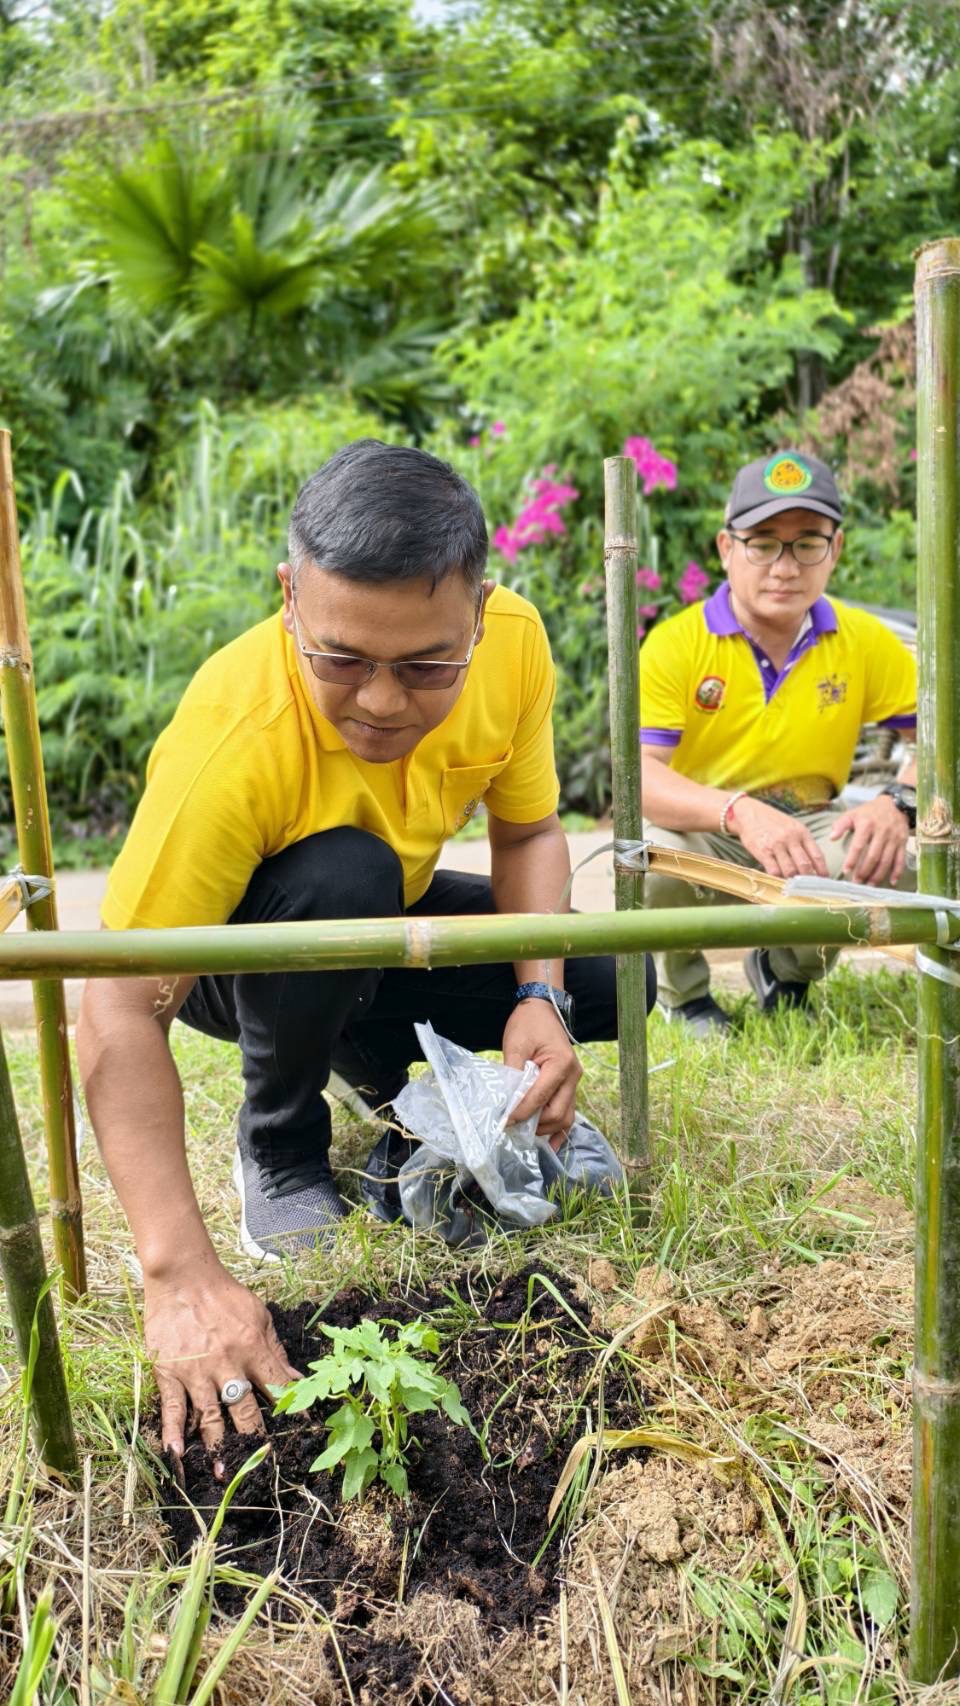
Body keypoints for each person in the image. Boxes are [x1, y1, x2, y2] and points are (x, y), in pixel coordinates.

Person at [77, 439, 655, 1463]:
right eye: (341, 659)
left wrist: (539, 998)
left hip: (395, 914)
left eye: (429, 665)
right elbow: (120, 1006)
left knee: (616, 974)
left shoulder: (515, 645)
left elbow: (527, 833)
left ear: (480, 611)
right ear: (289, 597)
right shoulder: (237, 733)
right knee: (346, 874)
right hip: (245, 946)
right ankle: (279, 1141)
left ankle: (361, 1051)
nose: (383, 702)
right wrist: (176, 1271)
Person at [638, 448, 917, 1036]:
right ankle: (681, 993)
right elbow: (639, 777)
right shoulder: (676, 644)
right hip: (705, 830)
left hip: (811, 825)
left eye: (807, 542)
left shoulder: (863, 640)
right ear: (726, 548)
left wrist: (899, 802)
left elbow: (945, 741)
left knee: (888, 865)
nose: (784, 567)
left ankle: (785, 971)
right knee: (646, 859)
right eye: (763, 543)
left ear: (835, 549)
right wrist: (738, 812)